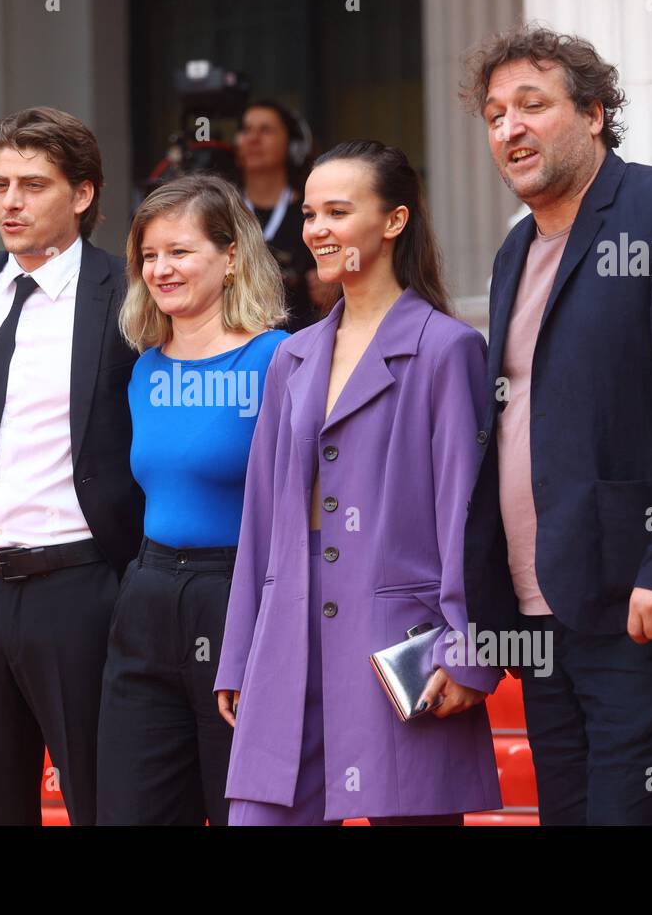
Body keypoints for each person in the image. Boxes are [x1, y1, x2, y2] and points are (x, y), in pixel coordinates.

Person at [460, 25, 652, 825]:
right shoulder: (515, 250)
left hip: (644, 599)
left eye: (532, 106)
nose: (509, 129)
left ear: (594, 113)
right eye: (495, 116)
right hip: (542, 606)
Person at [214, 140, 504, 825]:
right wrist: (238, 653)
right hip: (288, 635)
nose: (316, 229)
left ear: (394, 220)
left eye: (338, 211)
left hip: (399, 641)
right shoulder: (292, 355)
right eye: (311, 212)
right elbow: (262, 517)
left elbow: (467, 516)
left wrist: (467, 651)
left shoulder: (446, 349)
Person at [0, 107, 144, 825]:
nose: (10, 201)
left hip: (81, 584)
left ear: (82, 195)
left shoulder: (127, 292)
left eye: (33, 185)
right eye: (0, 183)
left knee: (101, 803)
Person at [97, 175, 288, 825]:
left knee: (242, 810)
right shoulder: (145, 367)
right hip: (146, 595)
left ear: (230, 255)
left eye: (179, 251)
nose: (160, 269)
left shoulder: (278, 361)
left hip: (236, 596)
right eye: (149, 255)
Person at [235, 100, 331, 330]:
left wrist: (335, 289)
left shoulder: (313, 213)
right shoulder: (219, 211)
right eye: (246, 130)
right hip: (232, 349)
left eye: (265, 130)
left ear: (292, 146)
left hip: (299, 344)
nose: (253, 139)